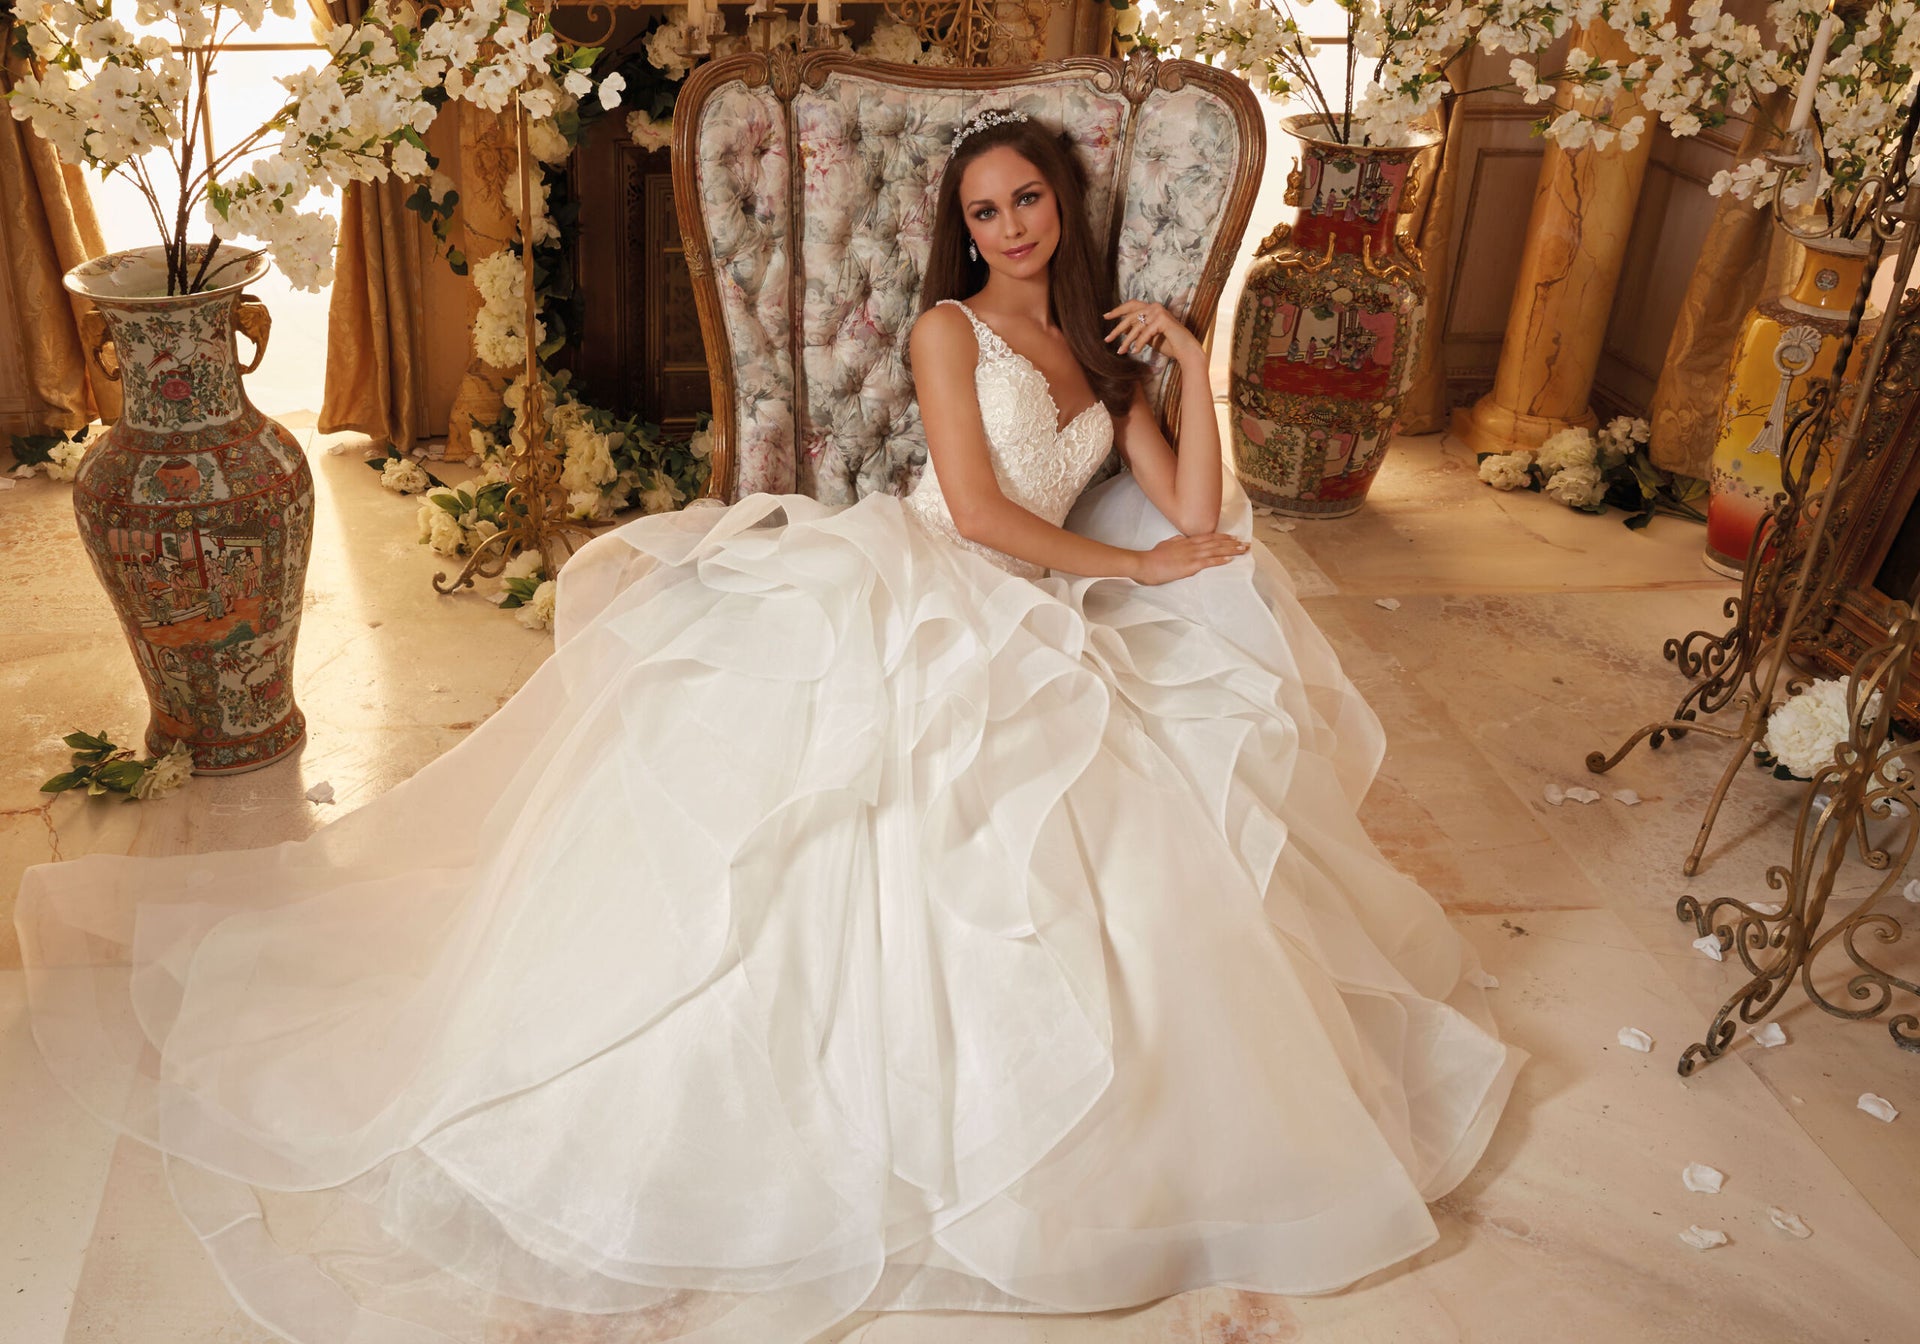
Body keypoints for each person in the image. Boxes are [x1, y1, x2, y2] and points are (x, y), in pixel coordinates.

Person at [15, 111, 1522, 1344]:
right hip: (927, 580)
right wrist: (1129, 566)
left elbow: (1200, 522)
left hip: (1049, 612)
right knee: (833, 828)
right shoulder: (947, 331)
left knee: (1136, 813)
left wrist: (1188, 365)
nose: (1009, 227)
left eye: (1028, 203)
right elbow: (989, 509)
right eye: (985, 209)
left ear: (1065, 209)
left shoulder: (1104, 362)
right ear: (964, 228)